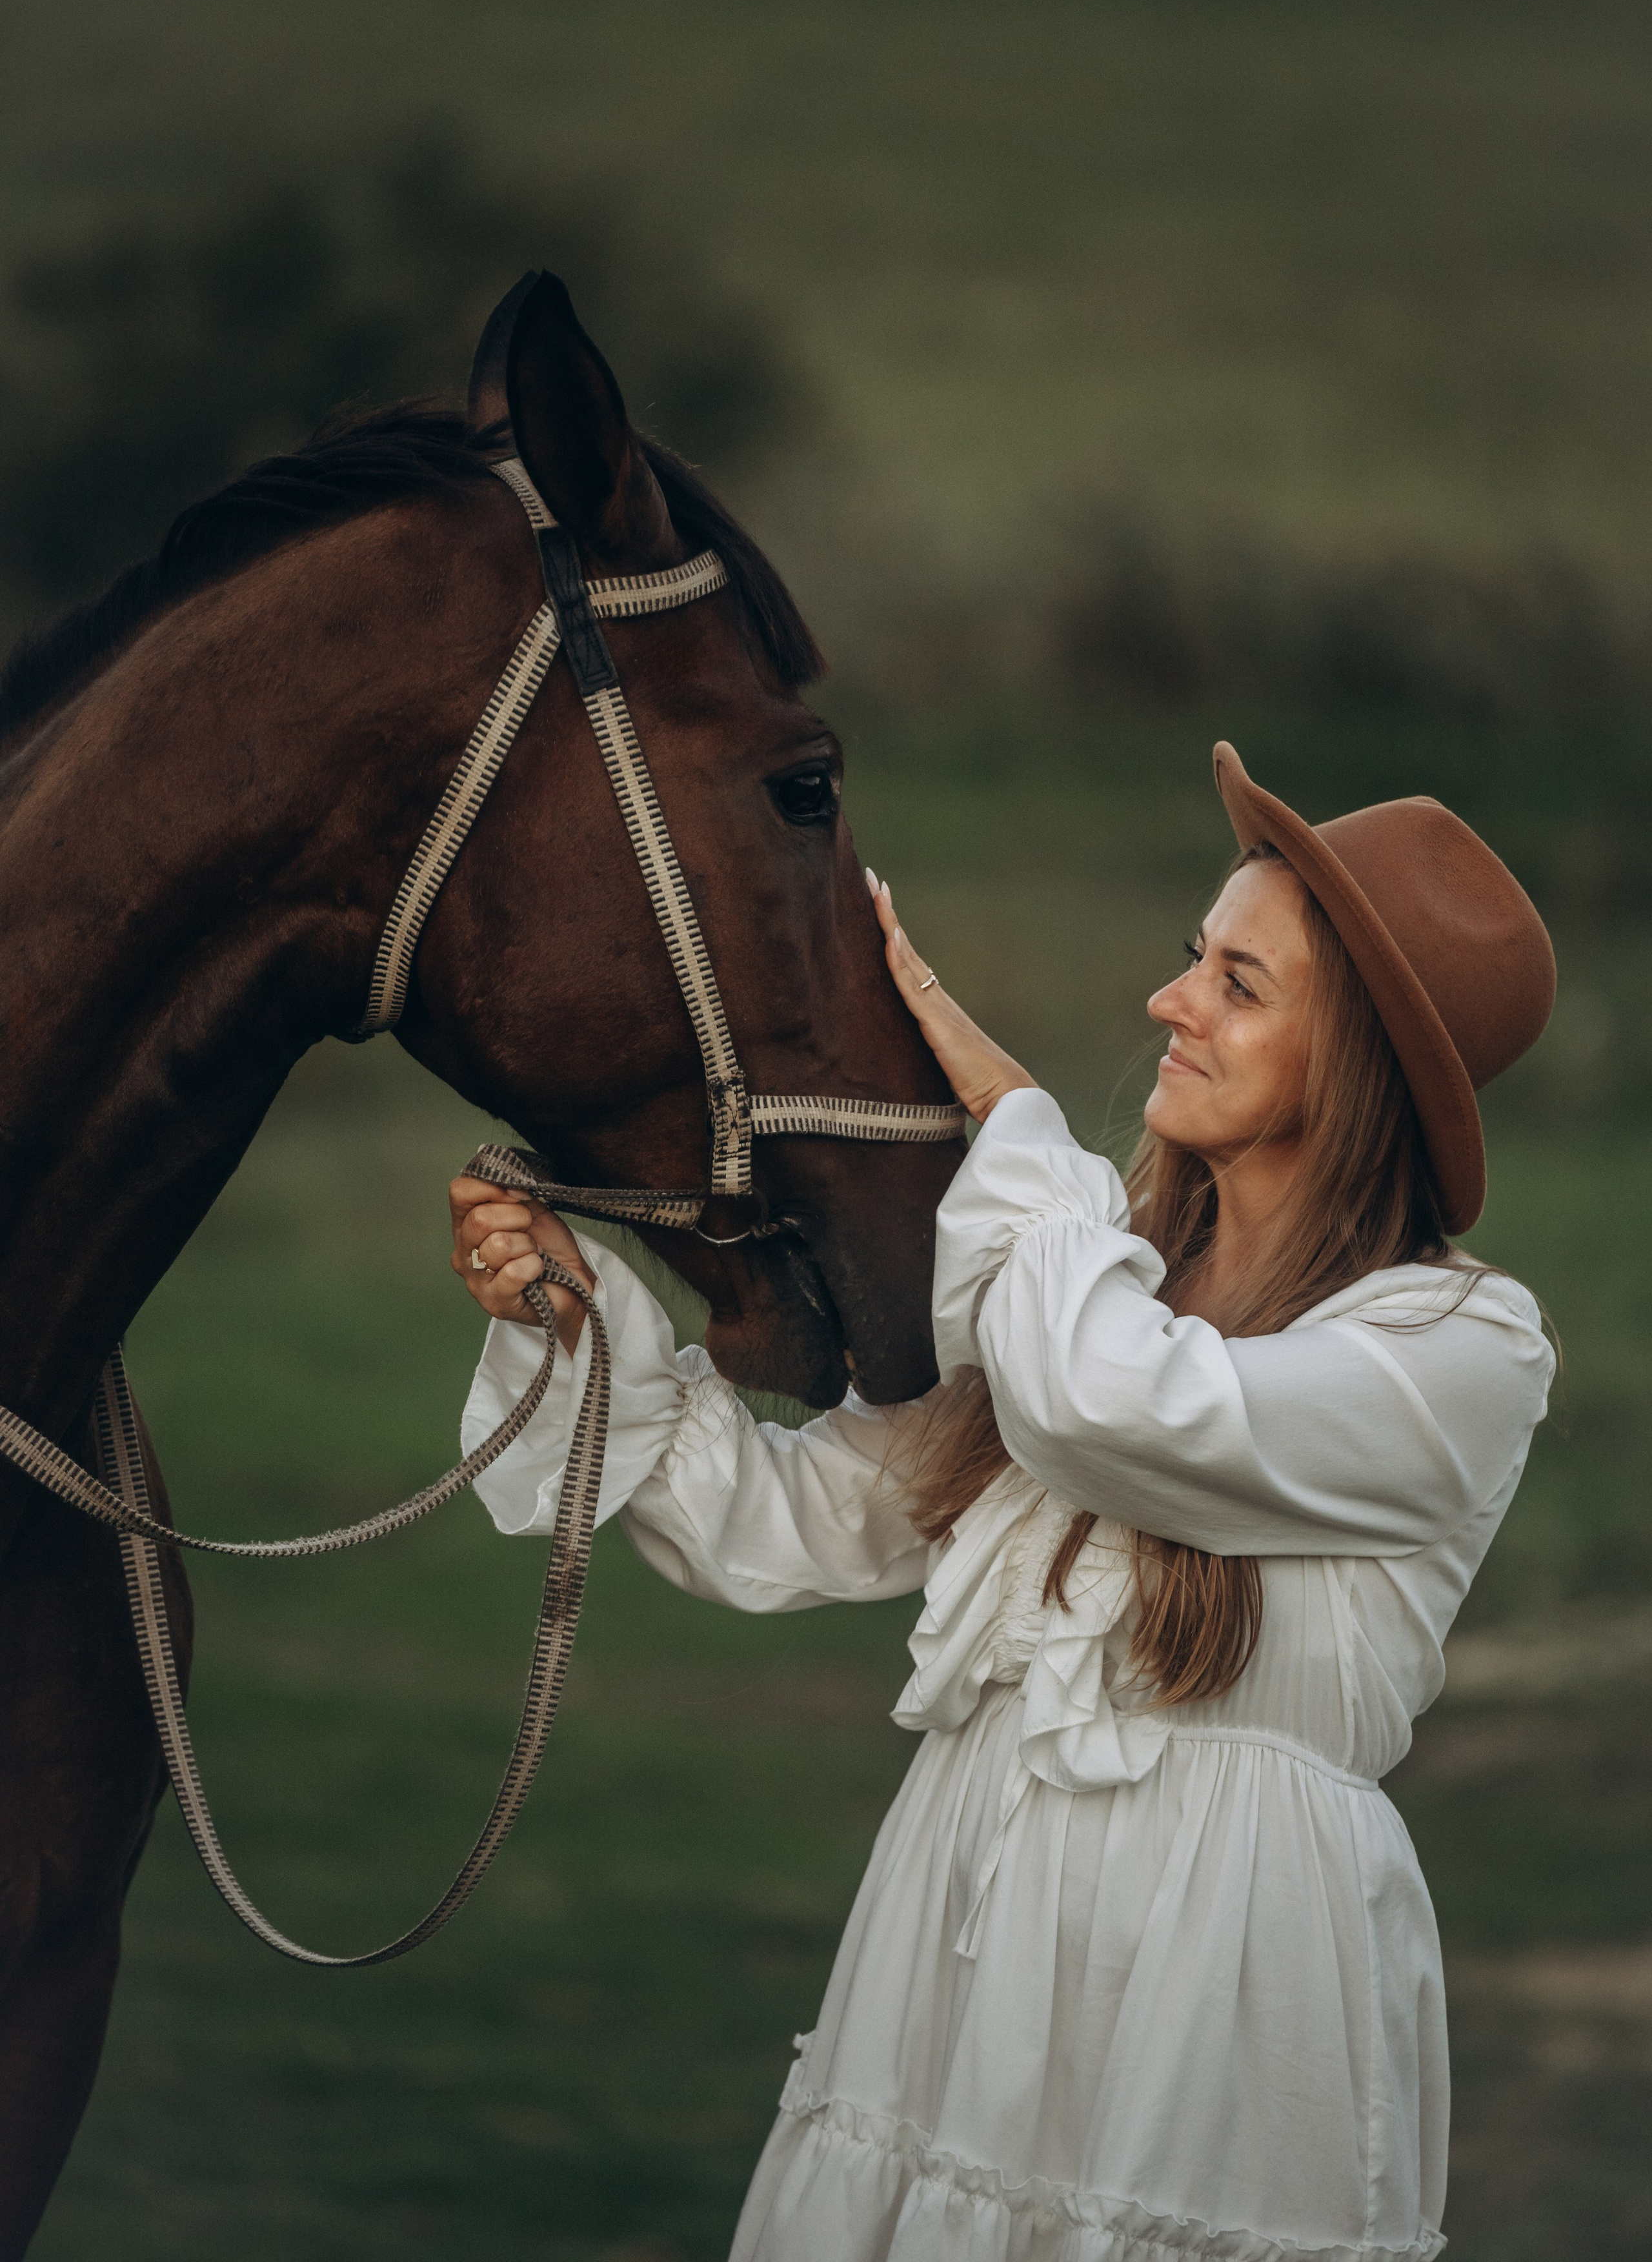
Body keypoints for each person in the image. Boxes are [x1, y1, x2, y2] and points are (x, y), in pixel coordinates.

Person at [448, 740, 1556, 2262]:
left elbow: (1116, 1410)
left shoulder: (1455, 1346)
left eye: (1238, 985)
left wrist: (1019, 1123)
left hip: (1224, 1954)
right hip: (966, 1913)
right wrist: (575, 1318)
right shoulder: (1090, 1282)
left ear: (1350, 1061)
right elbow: (789, 1523)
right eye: (1192, 959)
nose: (1169, 1004)